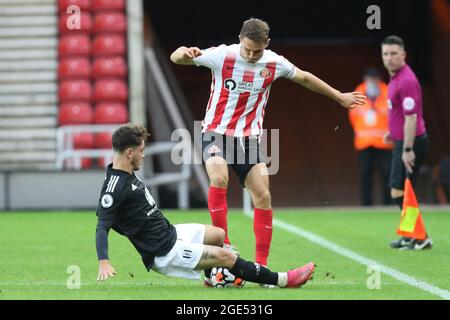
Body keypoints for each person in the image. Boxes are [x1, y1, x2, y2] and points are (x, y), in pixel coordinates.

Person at [169, 18, 366, 274]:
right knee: (218, 177)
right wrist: (184, 51)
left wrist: (339, 97)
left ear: (267, 44)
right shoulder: (221, 55)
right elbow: (177, 58)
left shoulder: (274, 62)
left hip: (249, 139)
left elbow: (304, 78)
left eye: (257, 51)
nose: (251, 55)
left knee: (263, 195)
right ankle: (224, 246)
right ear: (240, 39)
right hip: (216, 132)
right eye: (248, 49)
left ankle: (261, 266)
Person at [95, 123, 315, 288]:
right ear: (129, 152)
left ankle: (213, 278)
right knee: (228, 257)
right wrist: (105, 261)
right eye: (141, 151)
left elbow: (113, 218)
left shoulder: (127, 173)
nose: (144, 155)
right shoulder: (115, 187)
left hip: (170, 233)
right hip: (165, 251)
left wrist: (133, 230)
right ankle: (283, 280)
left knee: (218, 235)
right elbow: (103, 224)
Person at [381, 35, 432, 250]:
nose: (389, 58)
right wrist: (392, 132)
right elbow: (400, 113)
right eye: (386, 54)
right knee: (402, 188)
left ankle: (420, 237)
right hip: (402, 140)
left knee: (399, 190)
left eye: (394, 54)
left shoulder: (407, 81)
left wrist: (408, 149)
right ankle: (412, 234)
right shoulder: (395, 77)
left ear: (403, 55)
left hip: (411, 143)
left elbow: (411, 117)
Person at [348, 68, 393, 206]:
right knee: (366, 173)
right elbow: (353, 116)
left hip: (384, 142)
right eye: (369, 79)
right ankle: (366, 204)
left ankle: (387, 203)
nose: (372, 82)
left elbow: (394, 116)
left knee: (386, 173)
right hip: (364, 142)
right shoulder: (358, 92)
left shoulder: (388, 92)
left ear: (379, 80)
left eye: (375, 79)